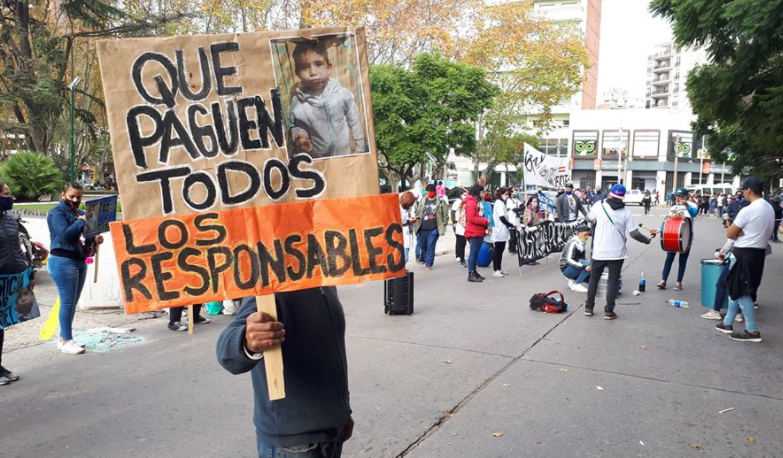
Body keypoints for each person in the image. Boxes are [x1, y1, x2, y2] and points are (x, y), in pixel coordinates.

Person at [216, 289, 353, 457]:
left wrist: (344, 412)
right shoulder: (273, 284)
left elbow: (332, 352)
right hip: (294, 446)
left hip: (332, 432)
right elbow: (228, 353)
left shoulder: (324, 281)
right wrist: (247, 341)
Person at [715, 177, 774, 342]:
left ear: (748, 190)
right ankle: (727, 322)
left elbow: (730, 233)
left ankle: (752, 330)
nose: (742, 193)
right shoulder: (768, 207)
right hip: (758, 253)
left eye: (743, 190)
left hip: (744, 253)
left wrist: (737, 229)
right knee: (737, 287)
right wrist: (739, 229)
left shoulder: (748, 210)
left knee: (742, 292)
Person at [584, 185, 657, 320]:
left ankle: (589, 308)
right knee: (613, 281)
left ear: (609, 194)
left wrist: (596, 221)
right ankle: (609, 311)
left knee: (594, 279)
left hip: (599, 251)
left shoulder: (598, 206)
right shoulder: (626, 212)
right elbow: (634, 234)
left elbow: (588, 219)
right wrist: (647, 240)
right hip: (617, 253)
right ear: (623, 197)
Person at [47, 182, 104, 355]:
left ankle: (64, 337)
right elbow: (65, 235)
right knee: (67, 302)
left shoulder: (79, 213)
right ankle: (66, 341)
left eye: (79, 197)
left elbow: (86, 236)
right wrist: (81, 222)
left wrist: (95, 239)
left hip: (79, 260)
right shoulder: (57, 213)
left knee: (72, 303)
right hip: (63, 261)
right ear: (63, 194)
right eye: (71, 196)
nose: (75, 200)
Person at [290, 40, 366, 158]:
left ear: (329, 68)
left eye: (318, 64)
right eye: (305, 67)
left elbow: (354, 121)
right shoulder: (297, 102)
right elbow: (295, 126)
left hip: (345, 157)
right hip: (319, 161)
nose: (313, 72)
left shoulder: (343, 94)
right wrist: (300, 135)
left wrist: (360, 148)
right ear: (297, 73)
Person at [0, 181, 34, 385]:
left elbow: (18, 249)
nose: (9, 197)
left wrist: (28, 274)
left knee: (2, 324)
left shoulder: (12, 220)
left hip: (11, 280)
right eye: (5, 194)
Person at [657, 187, 698, 291]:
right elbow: (668, 221)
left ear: (685, 197)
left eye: (679, 196)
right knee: (669, 258)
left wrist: (686, 205)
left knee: (682, 261)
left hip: (686, 238)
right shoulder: (674, 207)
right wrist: (659, 230)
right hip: (673, 237)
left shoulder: (692, 205)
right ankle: (663, 280)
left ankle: (679, 282)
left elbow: (693, 214)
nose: (677, 198)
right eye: (676, 196)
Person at [413, 184, 448, 270]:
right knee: (422, 246)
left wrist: (444, 224)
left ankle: (429, 264)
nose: (428, 193)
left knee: (431, 246)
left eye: (430, 191)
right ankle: (425, 259)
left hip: (434, 228)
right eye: (427, 191)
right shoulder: (422, 200)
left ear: (434, 192)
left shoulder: (440, 202)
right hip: (422, 227)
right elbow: (417, 211)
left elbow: (445, 215)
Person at [465, 184, 490, 282]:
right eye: (481, 192)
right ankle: (471, 273)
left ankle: (474, 271)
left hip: (477, 230)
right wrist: (485, 221)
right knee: (473, 254)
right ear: (477, 192)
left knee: (475, 254)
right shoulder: (471, 203)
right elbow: (471, 218)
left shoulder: (475, 202)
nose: (483, 194)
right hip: (473, 231)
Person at [491, 187, 515, 278]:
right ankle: (496, 270)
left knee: (501, 250)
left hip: (503, 230)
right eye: (505, 194)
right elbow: (502, 218)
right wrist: (510, 225)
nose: (507, 196)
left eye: (507, 194)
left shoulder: (502, 203)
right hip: (499, 230)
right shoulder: (499, 203)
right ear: (501, 194)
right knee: (498, 250)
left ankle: (499, 268)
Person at [559, 225, 592, 292]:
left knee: (592, 268)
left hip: (574, 266)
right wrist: (584, 267)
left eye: (588, 235)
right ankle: (577, 284)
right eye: (585, 235)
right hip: (566, 268)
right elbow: (569, 260)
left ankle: (573, 280)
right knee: (590, 263)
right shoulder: (573, 243)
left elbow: (582, 259)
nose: (587, 237)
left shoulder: (581, 243)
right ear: (578, 234)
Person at [399, 191, 418, 264]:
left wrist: (413, 219)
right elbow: (398, 222)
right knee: (405, 257)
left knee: (406, 255)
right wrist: (408, 221)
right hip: (402, 235)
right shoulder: (399, 208)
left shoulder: (409, 208)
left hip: (408, 233)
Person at [450, 191, 467, 268]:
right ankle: (458, 255)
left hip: (464, 223)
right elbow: (453, 211)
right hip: (458, 222)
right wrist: (454, 222)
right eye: (464, 194)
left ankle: (460, 254)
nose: (465, 196)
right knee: (459, 240)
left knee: (462, 240)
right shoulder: (458, 202)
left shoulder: (466, 202)